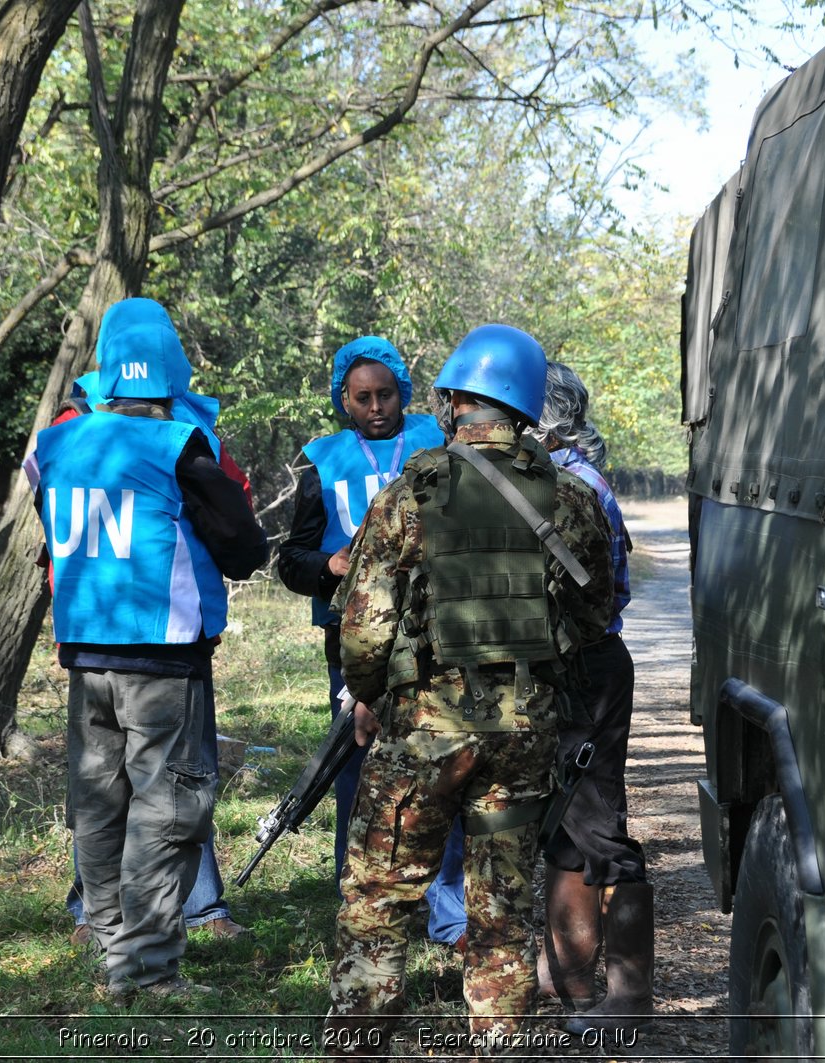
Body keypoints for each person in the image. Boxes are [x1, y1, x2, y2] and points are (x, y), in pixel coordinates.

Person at [323, 325, 614, 1053]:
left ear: (452, 400)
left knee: (379, 899)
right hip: (524, 734)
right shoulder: (570, 498)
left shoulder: (410, 493)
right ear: (522, 406)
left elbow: (362, 632)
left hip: (424, 727)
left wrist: (372, 698)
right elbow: (596, 612)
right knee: (501, 912)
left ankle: (360, 1046)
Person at [30, 297, 267, 1002]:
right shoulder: (178, 444)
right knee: (166, 808)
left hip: (86, 655)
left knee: (100, 805)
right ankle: (148, 970)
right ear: (173, 366)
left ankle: (107, 943)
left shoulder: (57, 440)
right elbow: (245, 548)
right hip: (163, 659)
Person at [277, 336, 467, 946]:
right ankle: (357, 893)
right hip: (353, 639)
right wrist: (327, 568)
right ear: (345, 401)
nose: (376, 407)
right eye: (363, 398)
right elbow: (291, 558)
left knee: (444, 761)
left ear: (404, 395)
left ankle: (447, 905)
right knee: (356, 764)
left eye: (386, 394)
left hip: (435, 635)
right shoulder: (322, 460)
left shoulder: (438, 446)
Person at [525, 362, 652, 1029]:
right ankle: (565, 976)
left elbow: (606, 593)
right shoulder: (553, 476)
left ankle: (630, 995)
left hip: (587, 666)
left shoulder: (572, 485)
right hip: (564, 666)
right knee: (564, 822)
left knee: (598, 825)